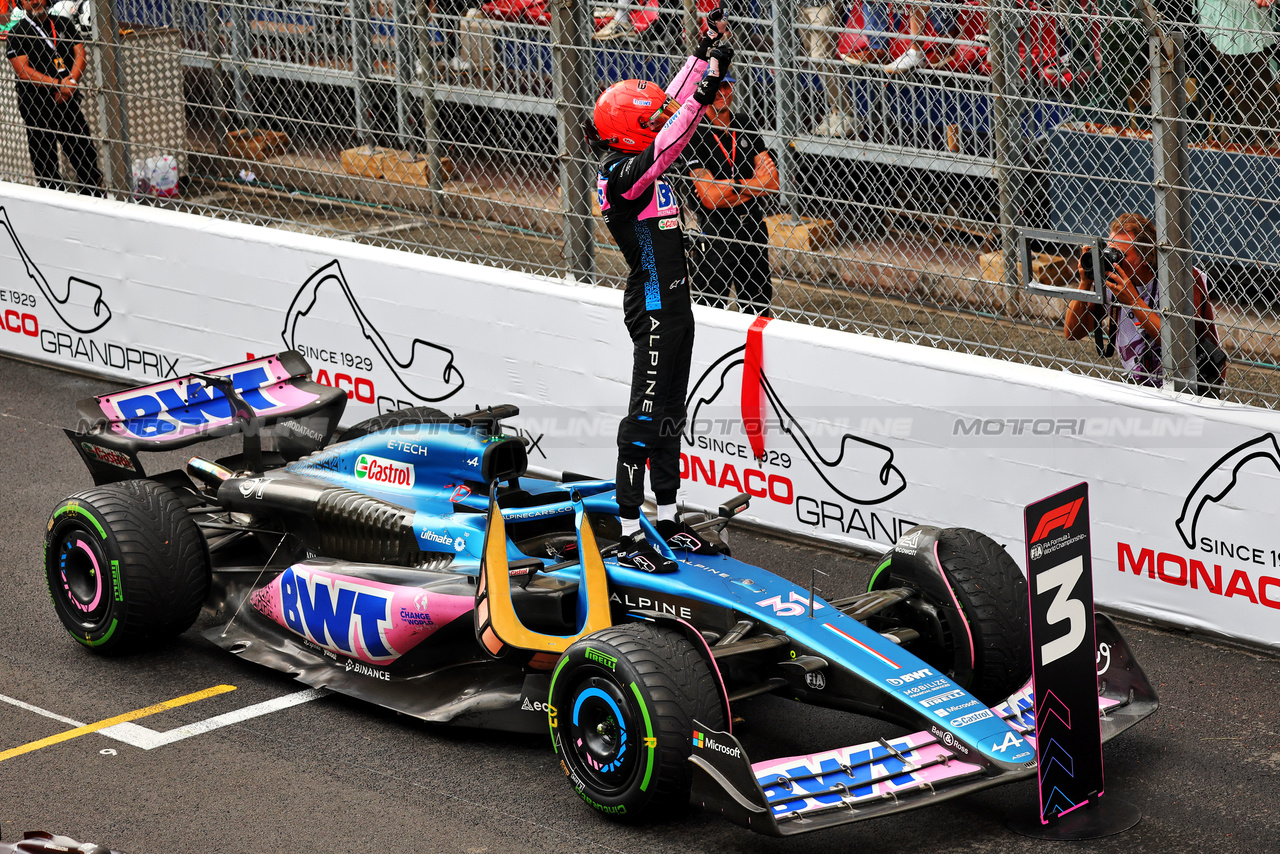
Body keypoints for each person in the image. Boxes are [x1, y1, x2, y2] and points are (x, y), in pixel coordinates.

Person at [590, 7, 733, 572]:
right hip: (651, 309)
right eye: (647, 120)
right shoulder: (622, 177)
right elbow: (674, 130)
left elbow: (668, 108)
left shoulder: (639, 149)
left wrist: (704, 52)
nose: (658, 120)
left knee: (672, 413)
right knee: (644, 417)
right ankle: (627, 528)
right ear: (632, 131)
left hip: (677, 307)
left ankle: (669, 516)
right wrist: (707, 89)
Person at [1063, 213, 1225, 392]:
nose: (1112, 260)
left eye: (1120, 255)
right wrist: (1086, 282)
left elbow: (1179, 344)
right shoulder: (1111, 280)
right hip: (1141, 384)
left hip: (1190, 383)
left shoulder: (1181, 278)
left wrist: (1133, 300)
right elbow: (1072, 332)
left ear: (1147, 256)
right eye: (1109, 251)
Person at [685, 74, 779, 315]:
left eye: (725, 86)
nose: (720, 92)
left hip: (753, 228)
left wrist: (730, 187)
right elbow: (710, 197)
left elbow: (773, 183)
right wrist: (753, 184)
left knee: (758, 310)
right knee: (711, 312)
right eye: (714, 87)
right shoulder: (694, 133)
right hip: (716, 232)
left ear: (732, 88)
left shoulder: (745, 123)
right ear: (702, 91)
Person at [5, 0, 102, 193]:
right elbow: (23, 71)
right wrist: (58, 84)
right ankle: (55, 206)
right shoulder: (17, 32)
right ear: (21, 4)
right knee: (45, 167)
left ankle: (93, 198)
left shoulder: (62, 24)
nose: (34, 1)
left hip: (68, 103)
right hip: (37, 107)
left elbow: (80, 53)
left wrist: (70, 84)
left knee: (86, 157)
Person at [800, 1, 856, 136]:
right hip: (800, 4)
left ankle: (846, 113)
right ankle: (836, 111)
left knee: (820, 55)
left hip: (824, 4)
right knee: (812, 55)